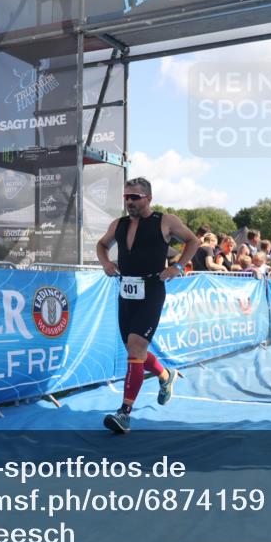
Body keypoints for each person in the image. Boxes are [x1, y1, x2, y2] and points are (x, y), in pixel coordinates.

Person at [96, 177, 199, 434]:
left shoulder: (165, 221)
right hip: (127, 291)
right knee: (135, 349)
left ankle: (125, 413)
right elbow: (101, 245)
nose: (129, 202)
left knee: (136, 346)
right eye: (126, 197)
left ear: (148, 198)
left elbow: (193, 241)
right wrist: (106, 263)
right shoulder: (118, 224)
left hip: (152, 289)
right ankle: (165, 376)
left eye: (134, 197)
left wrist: (177, 266)